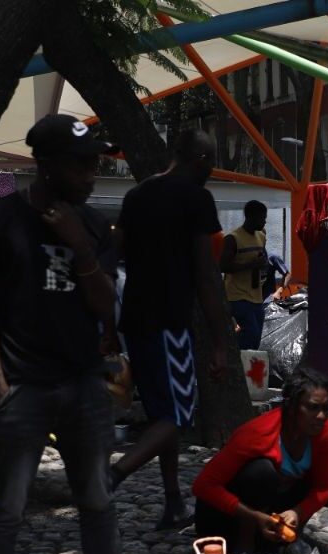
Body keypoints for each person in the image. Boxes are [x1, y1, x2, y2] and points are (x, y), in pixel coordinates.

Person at [0, 114, 136, 554]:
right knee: (6, 510)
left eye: (95, 164)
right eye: (81, 164)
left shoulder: (93, 223)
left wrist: (78, 246)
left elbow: (103, 305)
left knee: (98, 501)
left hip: (83, 381)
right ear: (47, 165)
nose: (91, 175)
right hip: (24, 385)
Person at [109, 130, 231, 530]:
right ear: (198, 158)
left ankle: (173, 501)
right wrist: (218, 341)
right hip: (168, 322)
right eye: (211, 161)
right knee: (177, 416)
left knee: (163, 412)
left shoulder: (137, 195)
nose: (211, 170)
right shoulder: (195, 198)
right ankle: (113, 475)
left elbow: (117, 256)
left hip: (134, 319)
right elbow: (206, 275)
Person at [192, 367, 328, 554]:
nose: (320, 416)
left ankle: (291, 535)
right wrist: (254, 517)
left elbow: (323, 486)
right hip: (225, 520)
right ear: (292, 407)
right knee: (262, 471)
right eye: (312, 407)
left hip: (270, 512)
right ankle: (245, 546)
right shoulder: (257, 433)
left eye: (325, 409)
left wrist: (297, 512)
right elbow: (203, 486)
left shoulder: (323, 432)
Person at [221, 200, 269, 350]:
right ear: (251, 217)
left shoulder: (261, 236)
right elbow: (222, 266)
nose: (264, 221)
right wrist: (251, 265)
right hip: (237, 296)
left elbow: (262, 259)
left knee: (256, 339)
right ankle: (234, 359)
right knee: (250, 332)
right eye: (262, 217)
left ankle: (248, 368)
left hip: (256, 296)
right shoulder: (232, 239)